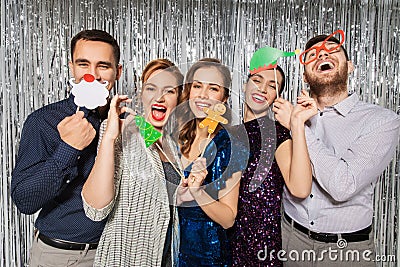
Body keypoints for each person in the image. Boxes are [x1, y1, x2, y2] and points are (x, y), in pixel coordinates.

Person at [275, 30, 400, 266]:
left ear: (350, 66)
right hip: (291, 239)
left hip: (347, 251)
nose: (322, 53)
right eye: (312, 54)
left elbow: (342, 186)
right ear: (304, 76)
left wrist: (298, 126)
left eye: (332, 50)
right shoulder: (286, 114)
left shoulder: (382, 121)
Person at [11, 29, 122, 266]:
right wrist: (68, 149)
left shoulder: (129, 120)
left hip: (118, 252)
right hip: (64, 255)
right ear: (72, 67)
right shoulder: (43, 121)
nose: (92, 75)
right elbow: (25, 201)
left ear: (117, 72)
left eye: (103, 66)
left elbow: (165, 154)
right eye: (84, 64)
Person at [81, 58, 184, 266]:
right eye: (151, 88)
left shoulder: (175, 145)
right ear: (141, 94)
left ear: (179, 98)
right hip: (125, 259)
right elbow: (95, 210)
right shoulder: (123, 132)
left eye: (169, 91)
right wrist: (110, 137)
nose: (160, 97)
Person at [231, 60, 316, 266]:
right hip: (225, 239)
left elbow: (301, 188)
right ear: (244, 85)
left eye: (272, 85)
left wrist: (296, 124)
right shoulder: (229, 134)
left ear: (276, 96)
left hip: (261, 245)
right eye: (257, 80)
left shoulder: (276, 134)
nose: (262, 88)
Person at [173, 58, 247, 266]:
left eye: (213, 89)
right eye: (197, 86)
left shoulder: (230, 147)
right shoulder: (175, 136)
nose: (203, 95)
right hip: (168, 250)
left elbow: (228, 218)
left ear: (223, 99)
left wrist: (198, 192)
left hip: (205, 256)